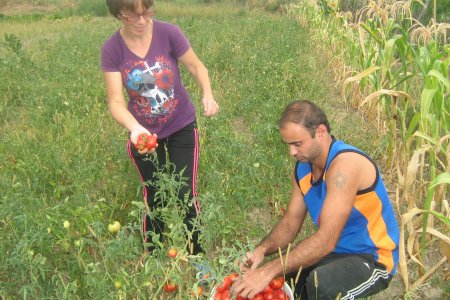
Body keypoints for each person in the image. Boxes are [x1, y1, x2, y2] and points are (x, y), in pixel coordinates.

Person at [230, 100, 399, 299]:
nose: (291, 152)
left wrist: (267, 271)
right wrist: (261, 250)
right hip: (333, 252)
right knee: (283, 283)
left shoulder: (345, 165)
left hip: (371, 257)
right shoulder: (303, 168)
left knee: (322, 286)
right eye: (288, 145)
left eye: (297, 144)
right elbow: (290, 223)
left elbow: (326, 240)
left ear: (320, 131)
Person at [101, 0, 219, 255]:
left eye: (147, 12)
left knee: (184, 192)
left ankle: (197, 255)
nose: (142, 21)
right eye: (133, 15)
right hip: (143, 134)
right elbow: (115, 101)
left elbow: (197, 66)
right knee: (155, 193)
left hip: (181, 125)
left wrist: (207, 93)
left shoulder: (169, 33)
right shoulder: (112, 49)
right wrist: (135, 129)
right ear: (119, 14)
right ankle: (154, 254)